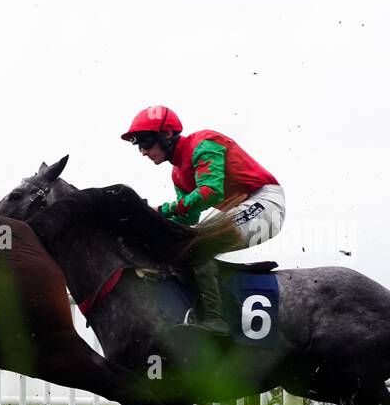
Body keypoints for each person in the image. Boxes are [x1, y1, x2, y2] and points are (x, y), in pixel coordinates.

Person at [121, 106, 285, 337]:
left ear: (167, 134)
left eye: (146, 143)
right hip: (242, 208)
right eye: (138, 146)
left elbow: (210, 192)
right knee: (181, 245)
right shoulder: (178, 173)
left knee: (196, 245)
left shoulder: (204, 143)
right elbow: (186, 218)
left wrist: (159, 210)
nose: (143, 152)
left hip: (266, 202)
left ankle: (216, 321)